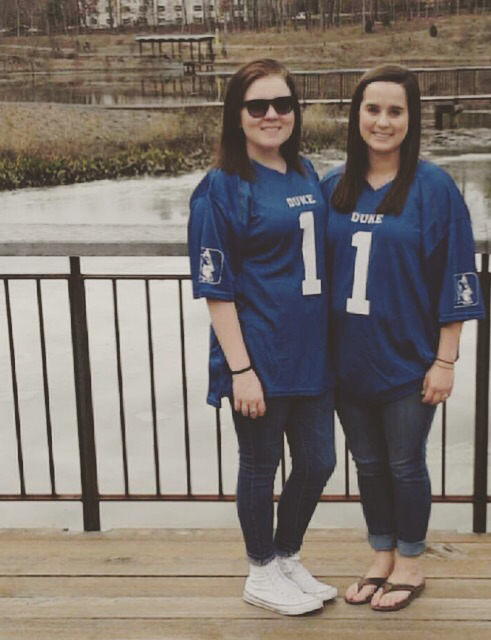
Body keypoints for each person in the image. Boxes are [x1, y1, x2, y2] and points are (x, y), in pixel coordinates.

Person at [320, 65, 484, 612]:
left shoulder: (433, 188)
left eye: (395, 111)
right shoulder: (333, 186)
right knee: (367, 464)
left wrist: (446, 359)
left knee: (405, 463)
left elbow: (457, 273)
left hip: (409, 360)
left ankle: (411, 561)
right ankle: (381, 555)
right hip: (347, 360)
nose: (383, 122)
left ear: (412, 119)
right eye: (373, 109)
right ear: (356, 115)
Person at [188, 59, 336, 616]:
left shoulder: (304, 171)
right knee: (260, 464)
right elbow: (216, 289)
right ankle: (260, 570)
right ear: (237, 114)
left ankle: (286, 555)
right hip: (258, 353)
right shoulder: (221, 187)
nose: (272, 115)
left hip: (312, 351)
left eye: (283, 104)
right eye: (258, 105)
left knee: (319, 462)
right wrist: (241, 370)